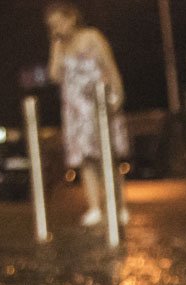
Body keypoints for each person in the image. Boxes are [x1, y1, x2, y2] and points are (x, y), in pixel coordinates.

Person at [46, 2, 129, 227]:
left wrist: (118, 96)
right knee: (86, 160)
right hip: (75, 110)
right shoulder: (60, 45)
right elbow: (54, 75)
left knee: (107, 157)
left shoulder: (92, 37)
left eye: (59, 22)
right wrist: (55, 44)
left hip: (98, 104)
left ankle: (118, 206)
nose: (57, 28)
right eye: (52, 26)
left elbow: (110, 67)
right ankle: (95, 207)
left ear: (71, 18)